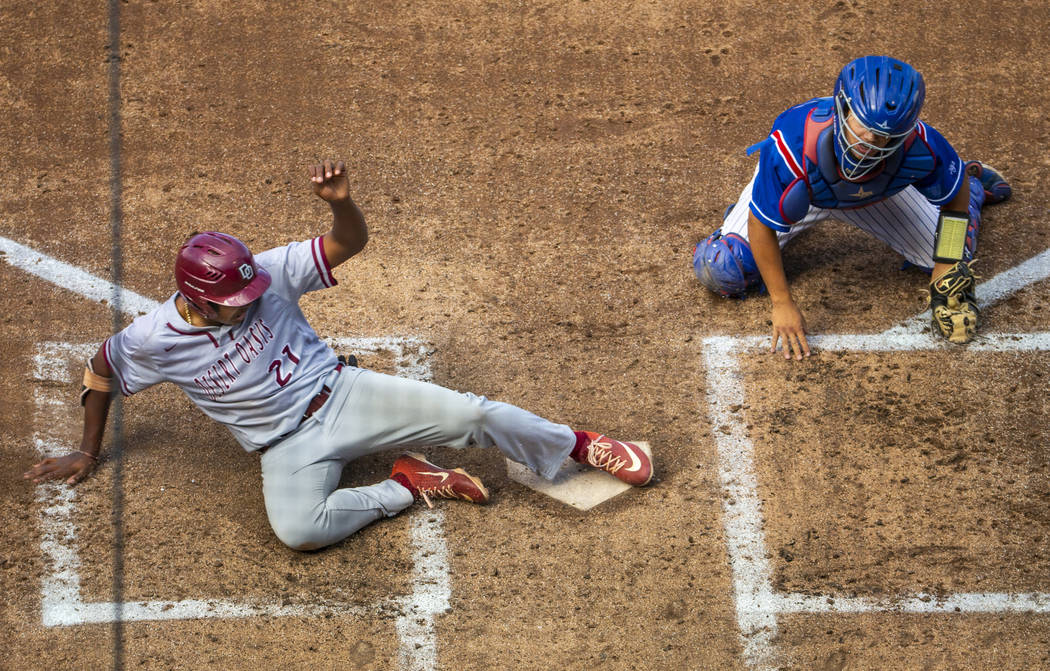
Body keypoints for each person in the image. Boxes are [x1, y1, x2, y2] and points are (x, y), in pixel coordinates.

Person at [23, 160, 654, 551]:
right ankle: (406, 485)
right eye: (237, 298)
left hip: (345, 396)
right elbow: (102, 368)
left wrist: (341, 204)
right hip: (284, 447)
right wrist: (87, 447)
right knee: (300, 533)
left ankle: (575, 444)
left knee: (473, 415)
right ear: (198, 300)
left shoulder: (268, 271)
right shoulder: (153, 338)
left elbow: (348, 241)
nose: (253, 298)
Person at [692, 55, 1012, 358]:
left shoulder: (922, 145)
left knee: (950, 254)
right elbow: (760, 226)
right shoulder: (791, 144)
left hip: (877, 196)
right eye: (862, 125)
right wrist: (782, 301)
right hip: (804, 186)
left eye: (885, 136)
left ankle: (976, 191)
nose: (869, 141)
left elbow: (951, 199)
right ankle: (762, 202)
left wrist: (946, 262)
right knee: (722, 267)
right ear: (842, 106)